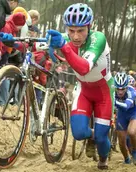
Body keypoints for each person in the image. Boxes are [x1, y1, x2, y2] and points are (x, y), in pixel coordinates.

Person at [45, 3, 114, 169]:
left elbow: (83, 67)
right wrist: (12, 40)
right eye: (71, 30)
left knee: (101, 137)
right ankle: (92, 136)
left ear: (89, 27)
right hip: (84, 91)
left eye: (81, 30)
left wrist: (63, 46)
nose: (75, 36)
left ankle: (103, 158)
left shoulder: (98, 39)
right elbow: (40, 43)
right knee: (79, 133)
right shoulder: (67, 37)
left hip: (104, 93)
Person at [114, 72, 136, 165]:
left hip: (133, 112)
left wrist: (113, 101)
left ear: (127, 87)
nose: (120, 91)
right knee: (121, 142)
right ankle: (126, 159)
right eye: (118, 89)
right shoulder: (111, 90)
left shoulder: (132, 91)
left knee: (131, 132)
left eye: (122, 89)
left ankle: (135, 152)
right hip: (121, 114)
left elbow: (126, 106)